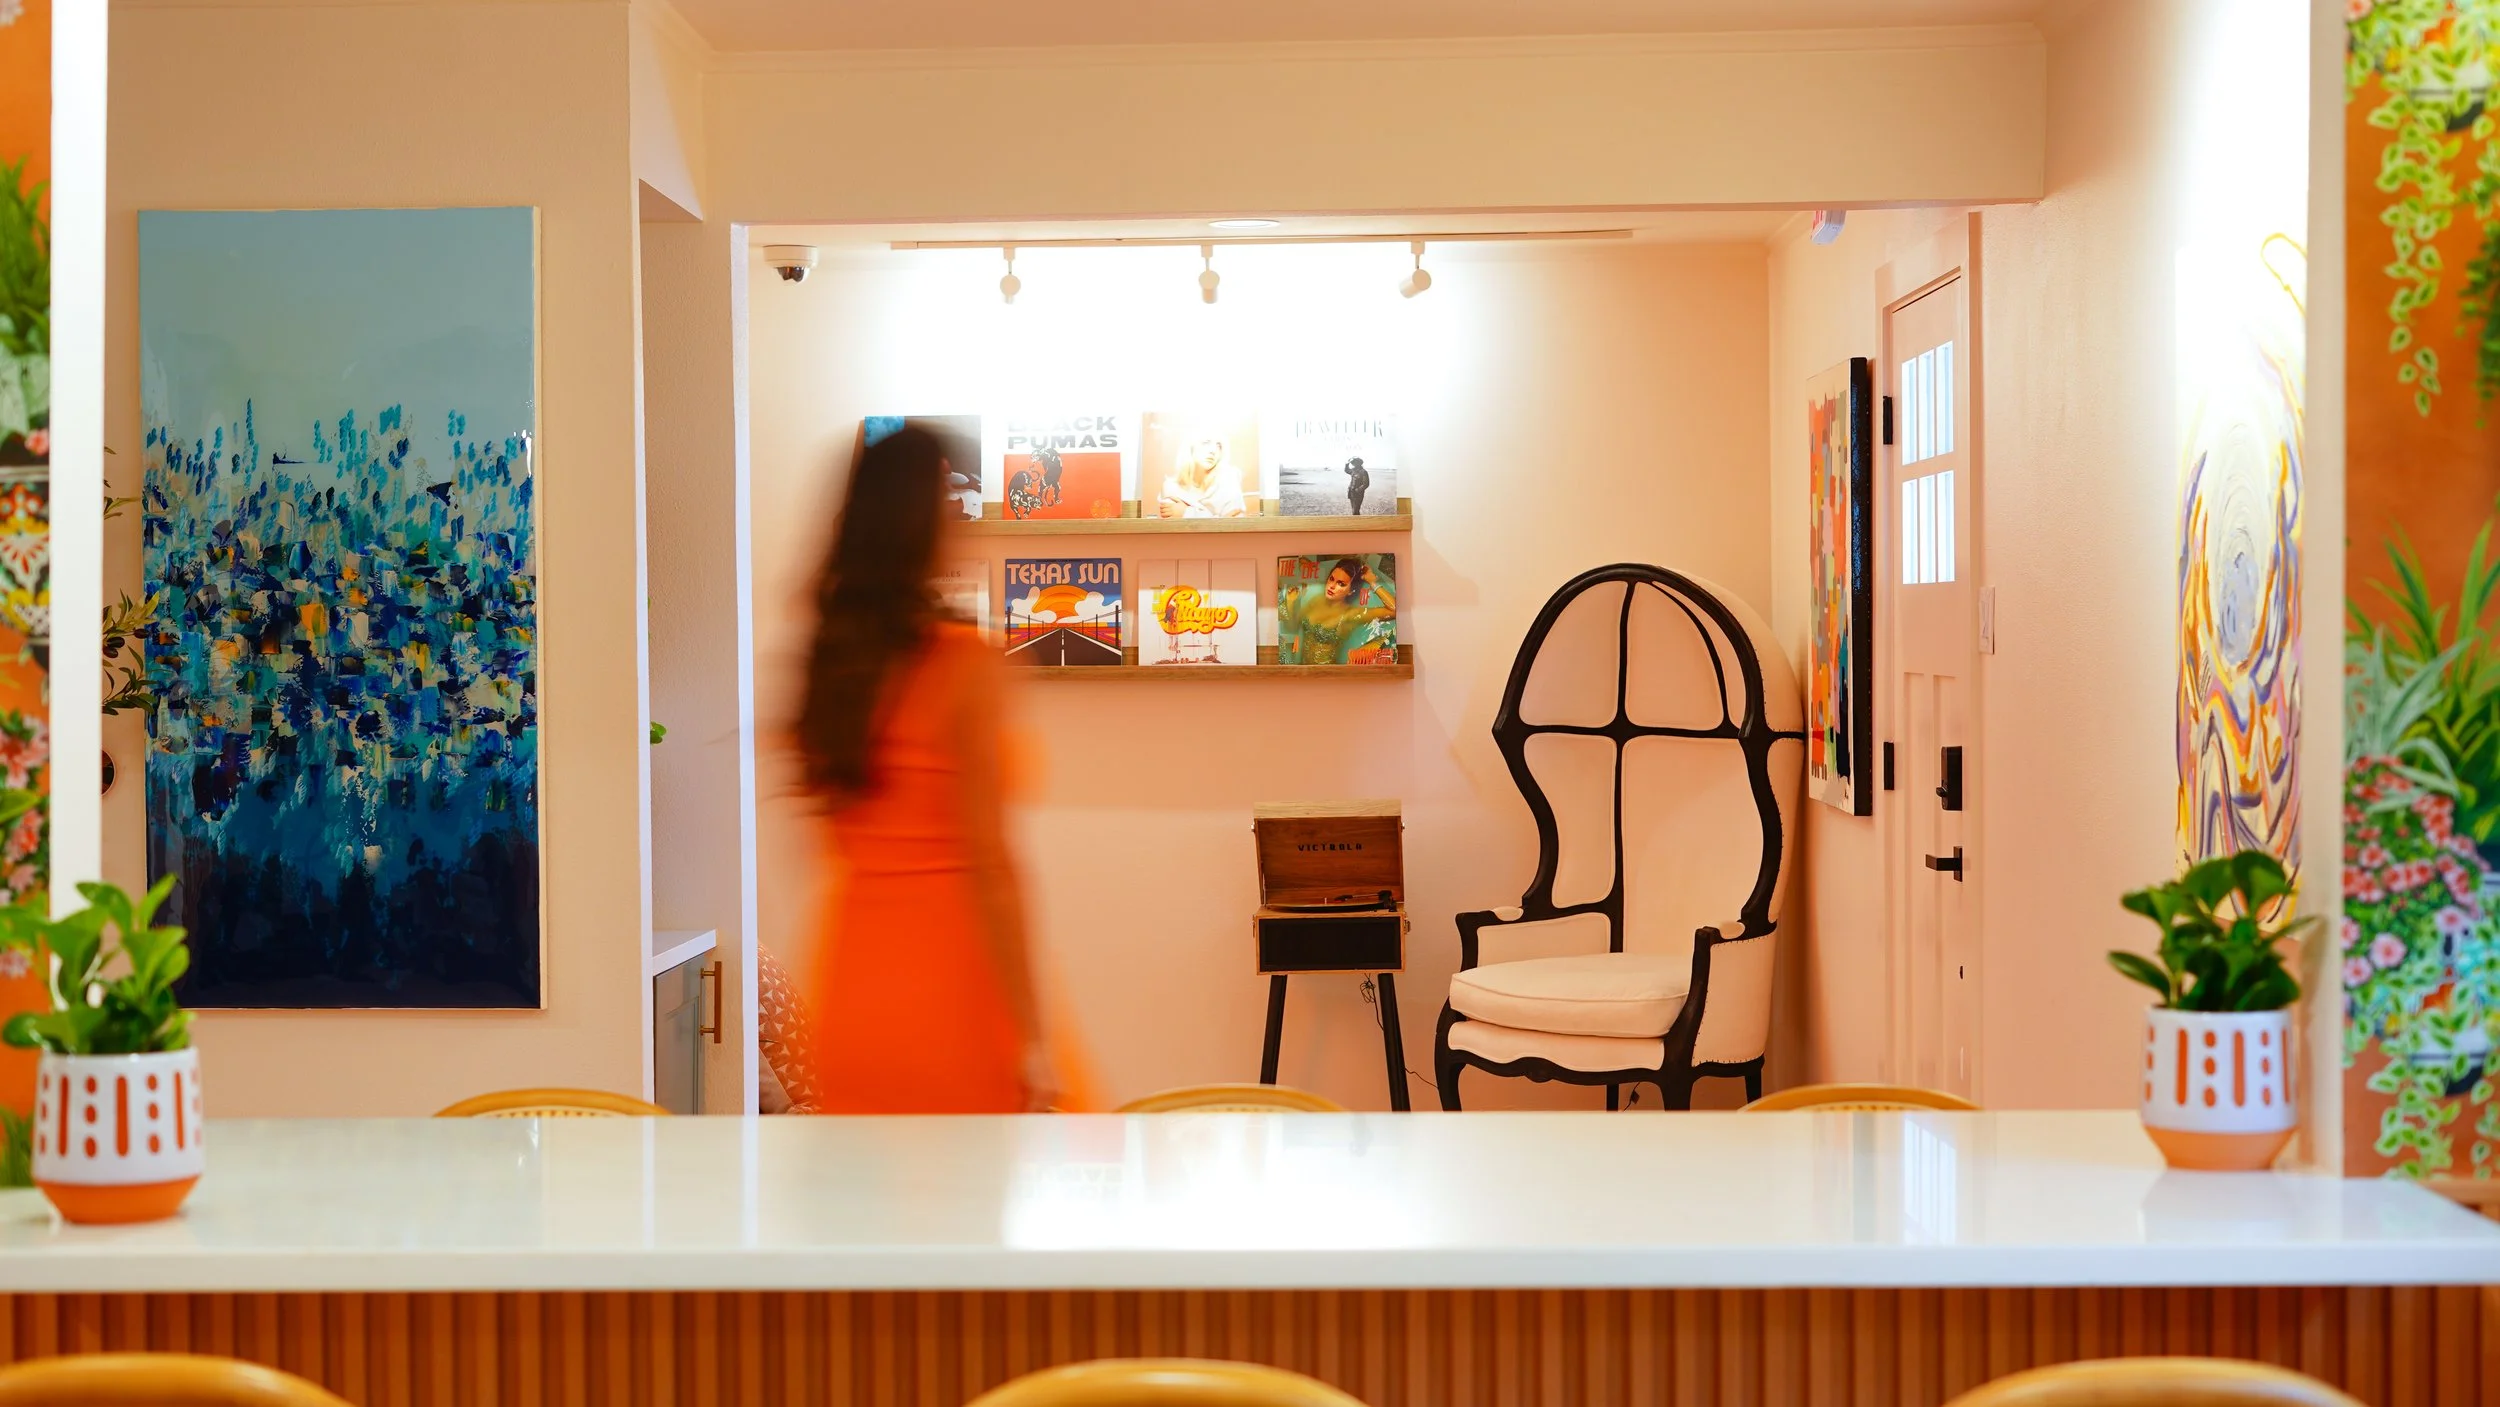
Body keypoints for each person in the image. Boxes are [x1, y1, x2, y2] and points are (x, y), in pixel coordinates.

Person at [794, 425, 1083, 1113]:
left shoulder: (832, 668)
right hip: (951, 988)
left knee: (867, 1215)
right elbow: (991, 866)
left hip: (851, 986)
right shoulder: (964, 666)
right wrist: (1034, 1038)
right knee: (976, 1207)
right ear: (922, 524)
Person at [1278, 556, 1397, 665]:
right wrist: (1290, 602)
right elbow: (1292, 626)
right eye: (1331, 579)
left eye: (1341, 584)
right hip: (1304, 672)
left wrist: (1372, 582)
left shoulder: (1351, 614)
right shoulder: (1316, 600)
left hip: (1328, 677)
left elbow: (1394, 611)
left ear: (1351, 591)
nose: (1332, 586)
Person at [1157, 436, 1249, 518]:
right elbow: (1173, 533)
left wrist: (1187, 513)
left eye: (1219, 446)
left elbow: (1235, 527)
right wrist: (1219, 520)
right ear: (1191, 446)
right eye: (1206, 442)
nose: (1213, 451)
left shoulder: (1229, 481)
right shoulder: (1171, 487)